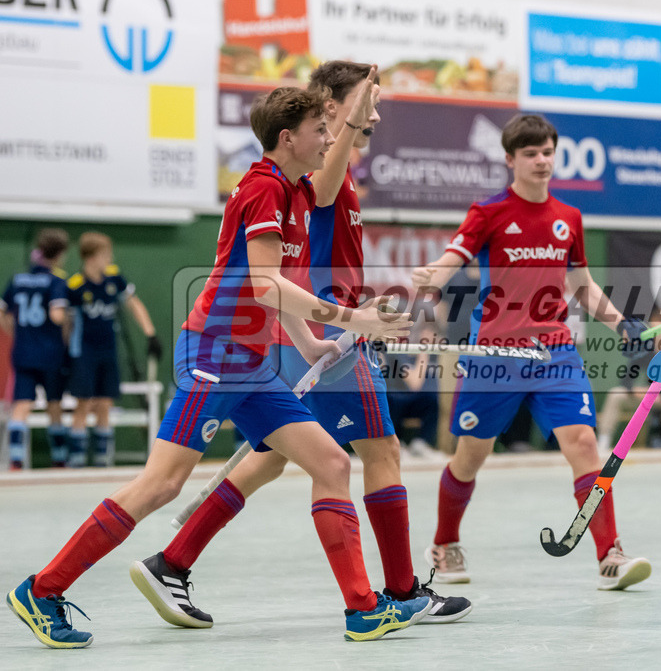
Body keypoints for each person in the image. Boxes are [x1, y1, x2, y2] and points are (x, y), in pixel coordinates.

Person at [6, 85, 426, 649]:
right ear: (288, 138)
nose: (331, 139)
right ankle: (44, 588)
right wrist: (352, 319)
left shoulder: (295, 191)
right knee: (162, 483)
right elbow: (262, 283)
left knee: (330, 462)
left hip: (249, 360)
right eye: (322, 131)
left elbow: (279, 287)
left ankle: (362, 609)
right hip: (215, 353)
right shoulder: (262, 190)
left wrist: (308, 345)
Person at [129, 61, 470, 629]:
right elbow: (321, 193)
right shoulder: (319, 174)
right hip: (326, 328)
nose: (375, 115)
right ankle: (402, 591)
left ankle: (173, 561)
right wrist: (351, 321)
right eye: (367, 104)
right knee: (379, 451)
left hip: (310, 331)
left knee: (271, 457)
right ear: (331, 110)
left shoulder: (332, 173)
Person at [412, 114, 652, 590]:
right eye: (530, 154)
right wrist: (425, 289)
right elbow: (450, 263)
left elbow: (581, 286)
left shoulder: (569, 218)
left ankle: (610, 555)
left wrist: (622, 323)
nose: (541, 161)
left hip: (554, 354)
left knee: (584, 445)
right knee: (469, 457)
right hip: (494, 357)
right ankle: (444, 542)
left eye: (547, 152)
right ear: (510, 160)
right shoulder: (488, 213)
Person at [65, 232, 162, 467]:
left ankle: (102, 459)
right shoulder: (75, 286)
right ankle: (76, 460)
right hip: (83, 352)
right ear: (91, 257)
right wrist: (67, 352)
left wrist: (150, 332)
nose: (109, 258)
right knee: (84, 403)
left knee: (105, 402)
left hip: (108, 350)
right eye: (105, 254)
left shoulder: (114, 278)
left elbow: (133, 303)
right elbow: (67, 324)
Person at [0, 229, 70, 469]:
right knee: (54, 405)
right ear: (59, 254)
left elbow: (3, 311)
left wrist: (16, 330)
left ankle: (16, 460)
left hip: (23, 351)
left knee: (21, 405)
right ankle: (59, 458)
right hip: (50, 353)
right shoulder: (57, 282)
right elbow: (57, 315)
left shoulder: (18, 279)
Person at [385, 310, 444, 459]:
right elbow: (414, 383)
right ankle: (396, 444)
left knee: (432, 400)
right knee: (393, 399)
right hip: (398, 399)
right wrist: (423, 352)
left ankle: (421, 444)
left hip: (416, 402)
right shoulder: (399, 351)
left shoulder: (434, 355)